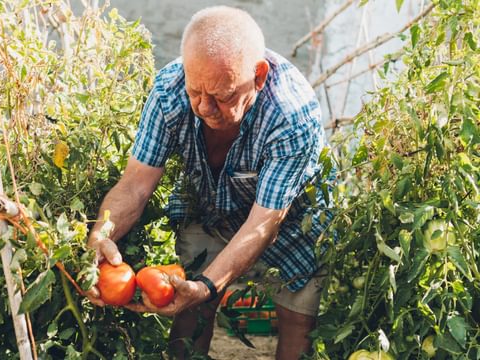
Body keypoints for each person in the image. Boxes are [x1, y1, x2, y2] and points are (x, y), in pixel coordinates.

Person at [86, 5, 333, 360]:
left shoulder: (291, 114)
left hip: (293, 214)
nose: (204, 107)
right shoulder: (169, 93)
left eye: (223, 95)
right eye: (195, 91)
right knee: (189, 305)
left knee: (296, 315)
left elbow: (263, 224)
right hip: (209, 200)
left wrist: (206, 286)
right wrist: (101, 234)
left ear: (259, 76)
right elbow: (134, 186)